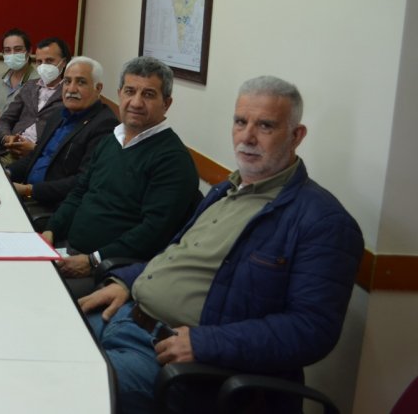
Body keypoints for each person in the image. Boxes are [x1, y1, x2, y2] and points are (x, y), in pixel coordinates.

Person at [79, 76, 364, 414]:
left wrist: (206, 343)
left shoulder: (323, 221)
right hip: (124, 315)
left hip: (174, 361)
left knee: (62, 386)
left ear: (296, 135)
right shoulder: (226, 190)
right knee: (39, 337)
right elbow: (178, 258)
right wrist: (127, 281)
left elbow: (311, 329)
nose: (248, 136)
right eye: (241, 122)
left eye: (266, 126)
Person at [42, 56, 199, 287]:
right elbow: (79, 193)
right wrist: (51, 230)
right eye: (130, 91)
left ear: (166, 103)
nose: (136, 102)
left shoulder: (172, 159)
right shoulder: (110, 140)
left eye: (148, 94)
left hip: (108, 270)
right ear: (119, 94)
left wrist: (94, 261)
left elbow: (153, 232)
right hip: (67, 248)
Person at [7, 56, 117, 211]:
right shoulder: (58, 114)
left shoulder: (104, 125)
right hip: (26, 193)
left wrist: (29, 190)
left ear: (98, 88)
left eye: (81, 82)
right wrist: (7, 173)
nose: (71, 89)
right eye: (67, 81)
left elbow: (83, 180)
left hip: (51, 206)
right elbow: (36, 156)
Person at [0, 37, 70, 162]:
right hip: (10, 151)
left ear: (63, 62)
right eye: (39, 61)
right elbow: (5, 120)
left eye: (49, 61)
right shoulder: (29, 86)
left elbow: (67, 138)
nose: (43, 66)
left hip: (41, 158)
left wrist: (35, 149)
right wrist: (7, 138)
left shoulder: (69, 93)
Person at [0, 28, 38, 135]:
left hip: (21, 139)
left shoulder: (38, 81)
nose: (12, 54)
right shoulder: (1, 79)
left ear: (29, 51)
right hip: (1, 137)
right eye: (7, 50)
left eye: (18, 49)